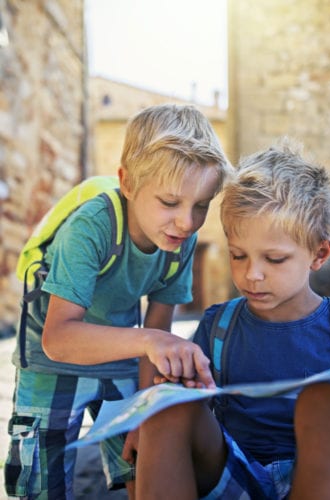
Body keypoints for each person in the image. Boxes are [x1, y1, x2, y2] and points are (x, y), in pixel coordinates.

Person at [4, 104, 232, 500]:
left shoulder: (180, 243)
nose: (187, 222)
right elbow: (58, 338)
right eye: (170, 202)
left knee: (139, 455)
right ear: (127, 183)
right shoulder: (91, 226)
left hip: (120, 349)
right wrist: (147, 340)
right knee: (42, 478)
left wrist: (145, 412)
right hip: (51, 358)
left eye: (201, 205)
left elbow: (156, 331)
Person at [135, 139, 330, 500]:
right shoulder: (219, 326)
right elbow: (192, 415)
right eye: (238, 256)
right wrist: (173, 391)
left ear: (320, 253)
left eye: (275, 259)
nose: (252, 275)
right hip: (234, 471)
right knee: (167, 406)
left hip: (325, 478)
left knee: (328, 399)